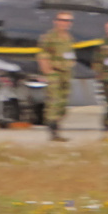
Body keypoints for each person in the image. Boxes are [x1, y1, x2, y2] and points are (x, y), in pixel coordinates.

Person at [36, 11, 77, 141]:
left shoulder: (69, 38)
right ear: (56, 21)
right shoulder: (49, 37)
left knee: (63, 103)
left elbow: (69, 54)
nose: (66, 23)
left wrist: (71, 63)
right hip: (55, 74)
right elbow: (42, 56)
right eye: (63, 20)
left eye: (69, 21)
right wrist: (49, 73)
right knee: (54, 102)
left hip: (66, 74)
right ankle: (53, 131)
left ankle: (57, 129)